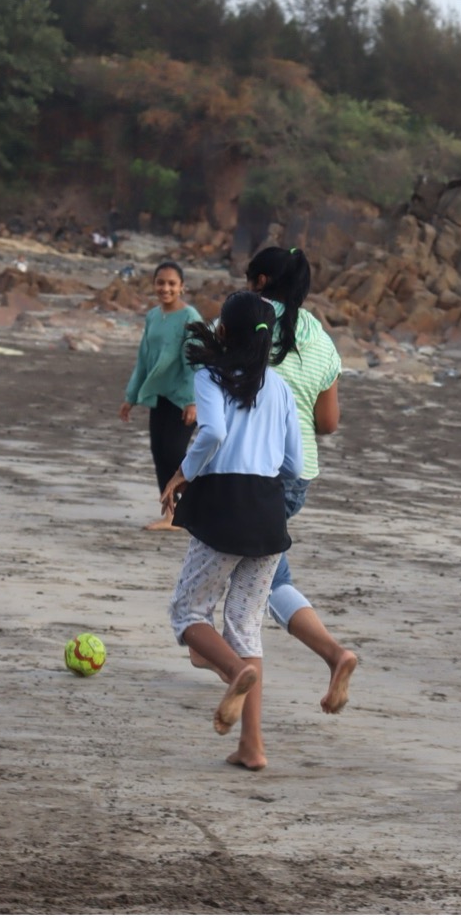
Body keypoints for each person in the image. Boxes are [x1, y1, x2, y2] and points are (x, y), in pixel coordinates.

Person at [161, 291, 303, 770]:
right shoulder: (280, 387)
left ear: (224, 331)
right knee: (245, 625)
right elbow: (295, 464)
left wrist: (184, 471)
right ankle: (252, 747)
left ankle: (232, 671)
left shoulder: (211, 375)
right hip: (268, 512)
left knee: (187, 612)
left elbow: (214, 432)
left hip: (224, 507)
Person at [233, 246, 360, 716]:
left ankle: (227, 665)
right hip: (297, 475)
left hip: (247, 471)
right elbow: (328, 423)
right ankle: (330, 655)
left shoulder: (248, 320)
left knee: (239, 577)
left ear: (261, 282)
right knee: (269, 570)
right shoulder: (322, 341)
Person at [119, 261, 203, 531]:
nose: (165, 288)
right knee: (159, 451)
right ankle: (171, 515)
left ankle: (196, 506)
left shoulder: (190, 316)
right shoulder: (153, 316)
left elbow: (195, 360)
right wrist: (131, 396)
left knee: (175, 452)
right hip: (160, 396)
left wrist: (192, 400)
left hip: (182, 398)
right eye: (160, 282)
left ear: (182, 287)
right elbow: (144, 358)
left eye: (171, 283)